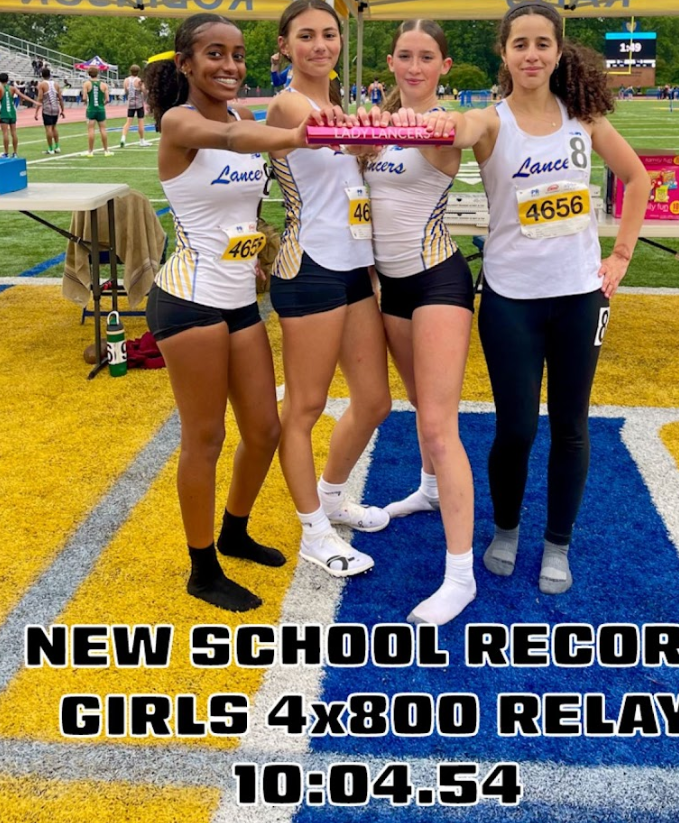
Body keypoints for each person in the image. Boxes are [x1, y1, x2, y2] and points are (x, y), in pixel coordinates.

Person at [423, 0, 650, 595]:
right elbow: (463, 130)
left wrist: (620, 255)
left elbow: (637, 178)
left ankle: (558, 542)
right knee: (517, 427)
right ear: (504, 53)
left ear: (557, 51)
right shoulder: (490, 121)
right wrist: (448, 124)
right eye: (519, 44)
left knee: (571, 426)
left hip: (579, 299)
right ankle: (505, 528)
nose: (531, 54)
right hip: (510, 301)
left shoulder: (586, 119)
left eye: (541, 43)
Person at [143, 13, 318, 612]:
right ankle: (202, 566)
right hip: (189, 300)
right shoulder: (180, 121)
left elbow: (245, 172)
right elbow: (234, 144)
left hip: (241, 296)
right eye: (214, 54)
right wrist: (300, 135)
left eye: (238, 55)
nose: (229, 66)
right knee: (206, 436)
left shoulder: (245, 115)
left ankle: (235, 531)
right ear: (186, 63)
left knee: (265, 429)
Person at [267, 0, 392, 578]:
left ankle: (334, 496)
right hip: (309, 265)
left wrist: (366, 146)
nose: (321, 45)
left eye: (329, 35)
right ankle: (314, 531)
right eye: (307, 36)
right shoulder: (289, 101)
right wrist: (373, 131)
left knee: (374, 400)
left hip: (353, 267)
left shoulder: (336, 105)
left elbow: (350, 159)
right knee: (306, 406)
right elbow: (320, 134)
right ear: (286, 46)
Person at [363, 20, 477, 626]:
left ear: (444, 65)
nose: (414, 66)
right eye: (404, 56)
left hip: (437, 280)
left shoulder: (443, 124)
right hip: (391, 286)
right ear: (390, 60)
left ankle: (460, 576)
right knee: (416, 403)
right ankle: (430, 491)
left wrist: (418, 125)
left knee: (438, 423)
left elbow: (443, 146)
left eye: (425, 57)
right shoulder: (375, 122)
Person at [0, 72, 40, 157]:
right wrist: (34, 101)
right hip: (12, 113)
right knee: (14, 133)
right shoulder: (12, 88)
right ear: (8, 80)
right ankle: (15, 152)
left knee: (5, 133)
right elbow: (22, 95)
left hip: (4, 112)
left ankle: (6, 153)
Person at [83, 66, 112, 157]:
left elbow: (84, 98)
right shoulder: (103, 84)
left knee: (91, 130)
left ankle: (90, 151)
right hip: (100, 109)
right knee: (103, 129)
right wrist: (102, 104)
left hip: (91, 109)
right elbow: (107, 99)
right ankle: (106, 150)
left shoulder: (86, 84)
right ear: (98, 73)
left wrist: (86, 103)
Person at [34, 67, 65, 154]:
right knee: (54, 127)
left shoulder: (42, 85)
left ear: (42, 75)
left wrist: (36, 112)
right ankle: (57, 146)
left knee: (48, 128)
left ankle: (50, 148)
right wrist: (63, 110)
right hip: (55, 108)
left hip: (47, 108)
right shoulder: (56, 84)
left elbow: (40, 98)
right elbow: (60, 98)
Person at [120, 65, 151, 148]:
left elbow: (126, 91)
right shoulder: (139, 81)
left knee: (128, 122)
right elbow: (144, 92)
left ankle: (123, 138)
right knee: (140, 122)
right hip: (139, 103)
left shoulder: (126, 80)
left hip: (130, 103)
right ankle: (141, 140)